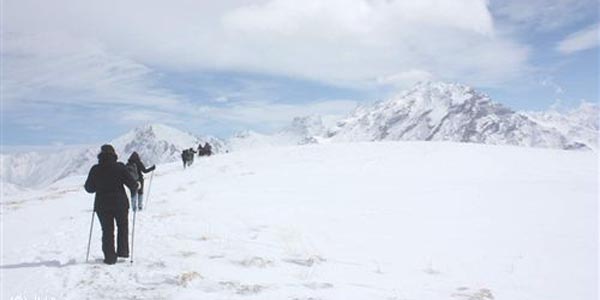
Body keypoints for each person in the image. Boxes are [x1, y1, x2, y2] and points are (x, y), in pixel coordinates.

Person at [84, 144, 137, 265]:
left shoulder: (95, 169)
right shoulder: (120, 167)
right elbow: (132, 184)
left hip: (102, 205)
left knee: (107, 230)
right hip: (120, 204)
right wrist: (137, 186)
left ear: (101, 155)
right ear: (114, 154)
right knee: (122, 227)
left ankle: (110, 257)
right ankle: (122, 252)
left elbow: (89, 188)